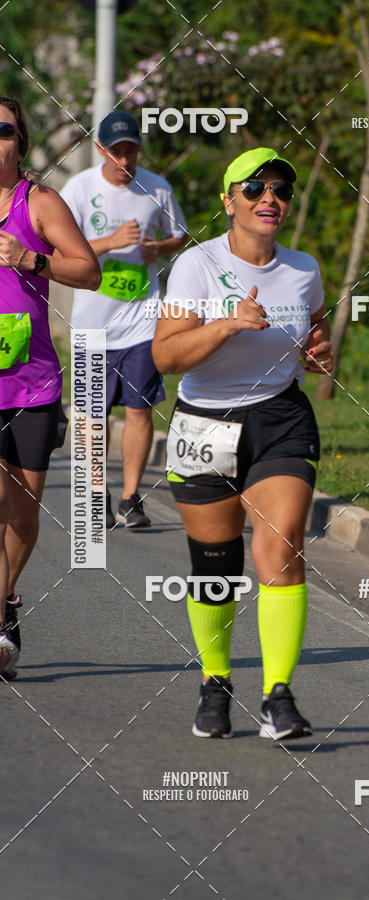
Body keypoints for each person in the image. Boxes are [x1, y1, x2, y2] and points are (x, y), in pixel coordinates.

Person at [152, 147, 333, 740]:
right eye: (254, 189)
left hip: (280, 419)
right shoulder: (197, 266)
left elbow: (316, 330)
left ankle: (278, 695)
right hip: (205, 421)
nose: (269, 199)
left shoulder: (304, 268)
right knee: (215, 569)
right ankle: (215, 681)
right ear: (229, 200)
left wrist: (318, 350)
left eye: (280, 189)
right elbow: (166, 356)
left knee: (280, 551)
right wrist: (227, 323)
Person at [0, 96, 101, 679]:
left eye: (4, 130)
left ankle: (6, 598)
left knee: (22, 516)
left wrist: (30, 260)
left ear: (21, 142)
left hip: (31, 385)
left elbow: (88, 270)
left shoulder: (38, 204)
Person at [61, 111, 187, 529]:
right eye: (117, 152)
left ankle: (132, 498)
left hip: (143, 320)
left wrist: (159, 248)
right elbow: (61, 253)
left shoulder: (158, 188)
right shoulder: (79, 188)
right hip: (93, 323)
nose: (125, 160)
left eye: (131, 151)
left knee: (139, 409)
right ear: (101, 150)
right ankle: (98, 490)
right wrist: (110, 242)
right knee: (94, 414)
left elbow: (180, 235)